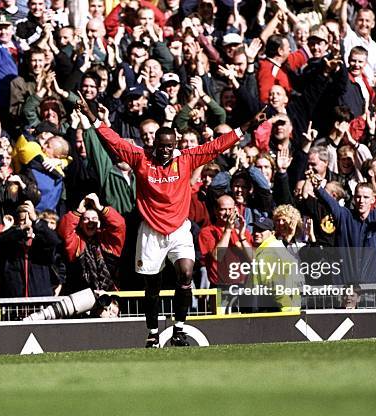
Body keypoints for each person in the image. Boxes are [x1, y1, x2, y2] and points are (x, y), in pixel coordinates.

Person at [78, 94, 266, 347]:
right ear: (155, 143)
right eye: (161, 145)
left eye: (170, 145)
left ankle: (179, 328)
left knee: (186, 273)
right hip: (151, 231)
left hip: (179, 229)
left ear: (175, 143)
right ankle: (153, 332)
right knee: (152, 285)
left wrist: (246, 126)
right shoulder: (141, 158)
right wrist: (91, 117)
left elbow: (216, 147)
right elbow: (112, 141)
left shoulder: (186, 159)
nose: (165, 150)